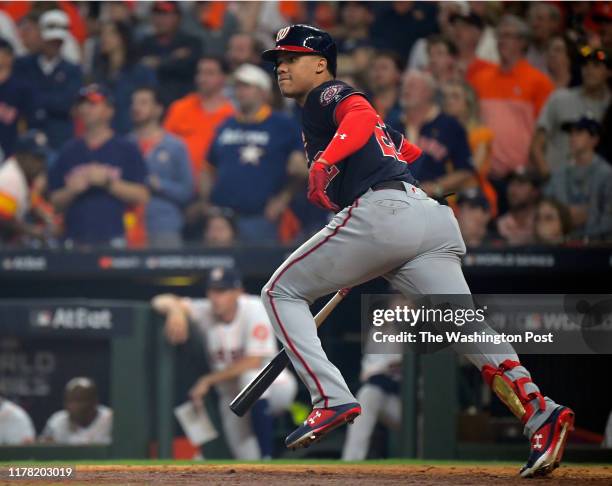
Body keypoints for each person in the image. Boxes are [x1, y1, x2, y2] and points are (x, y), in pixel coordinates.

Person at [260, 24, 573, 477]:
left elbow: (362, 114)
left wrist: (329, 163)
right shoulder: (319, 109)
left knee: (278, 293)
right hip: (425, 218)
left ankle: (330, 396)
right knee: (467, 329)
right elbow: (408, 151)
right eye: (278, 60)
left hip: (384, 214)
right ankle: (540, 412)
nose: (281, 67)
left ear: (321, 63)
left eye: (290, 58)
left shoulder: (326, 95)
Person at [152, 267, 298, 459]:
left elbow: (253, 361)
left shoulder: (254, 307)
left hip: (275, 385)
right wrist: (175, 310)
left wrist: (208, 380)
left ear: (238, 292)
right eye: (212, 290)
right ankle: (262, 466)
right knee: (246, 459)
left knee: (250, 378)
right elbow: (159, 300)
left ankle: (267, 455)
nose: (215, 297)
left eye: (222, 291)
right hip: (230, 395)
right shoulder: (205, 310)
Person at [203, 63, 306, 243]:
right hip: (223, 217)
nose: (240, 91)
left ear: (264, 92)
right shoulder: (226, 125)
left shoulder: (283, 125)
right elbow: (208, 167)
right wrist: (207, 202)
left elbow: (301, 169)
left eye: (247, 86)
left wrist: (284, 198)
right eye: (237, 86)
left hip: (261, 217)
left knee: (260, 269)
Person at [49, 84, 149, 247]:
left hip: (117, 238)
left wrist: (108, 183)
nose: (86, 108)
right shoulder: (68, 150)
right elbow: (53, 202)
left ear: (109, 111)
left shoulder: (127, 148)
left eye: (93, 103)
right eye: (82, 104)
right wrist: (71, 191)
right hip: (75, 239)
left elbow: (142, 196)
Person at [470, 15, 554, 184]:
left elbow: (544, 133)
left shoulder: (539, 81)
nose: (501, 41)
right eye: (499, 36)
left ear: (523, 42)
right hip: (483, 172)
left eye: (508, 36)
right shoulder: (479, 78)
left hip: (521, 175)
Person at [393, 70, 477, 199]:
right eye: (404, 86)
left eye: (412, 86)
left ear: (429, 92)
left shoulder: (449, 126)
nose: (406, 90)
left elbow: (465, 171)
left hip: (436, 201)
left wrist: (436, 186)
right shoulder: (393, 125)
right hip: (397, 200)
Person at [531, 46, 611, 177]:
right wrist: (548, 178)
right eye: (585, 65)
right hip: (556, 182)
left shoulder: (610, 107)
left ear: (608, 72)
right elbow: (536, 145)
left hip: (595, 189)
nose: (589, 70)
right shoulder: (560, 98)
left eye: (596, 66)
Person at [130, 86, 193, 248]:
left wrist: (160, 185)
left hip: (165, 224)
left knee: (170, 273)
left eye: (143, 103)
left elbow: (187, 191)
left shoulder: (176, 146)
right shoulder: (125, 145)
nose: (136, 108)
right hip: (128, 225)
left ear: (158, 109)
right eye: (134, 103)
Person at [342, 298, 403, 461]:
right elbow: (367, 372)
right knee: (367, 394)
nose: (400, 304)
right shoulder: (381, 329)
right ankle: (351, 461)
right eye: (397, 298)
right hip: (392, 399)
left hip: (420, 408)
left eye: (405, 298)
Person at [14, 10, 83, 151]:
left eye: (57, 42)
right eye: (50, 41)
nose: (53, 45)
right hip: (27, 135)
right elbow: (18, 98)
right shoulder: (22, 65)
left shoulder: (73, 70)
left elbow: (68, 104)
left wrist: (35, 98)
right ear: (41, 37)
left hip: (59, 139)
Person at [163, 56, 235, 180]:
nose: (202, 78)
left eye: (210, 73)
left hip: (216, 184)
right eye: (200, 72)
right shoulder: (180, 107)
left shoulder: (232, 115)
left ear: (224, 78)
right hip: (177, 184)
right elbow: (163, 145)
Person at [544, 117, 612, 241]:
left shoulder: (607, 174)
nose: (572, 137)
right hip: (562, 245)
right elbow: (546, 207)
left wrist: (588, 215)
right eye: (571, 133)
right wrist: (563, 215)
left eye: (579, 133)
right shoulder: (559, 173)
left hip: (600, 247)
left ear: (594, 139)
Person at [442, 80, 497, 216]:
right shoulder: (440, 134)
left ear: (468, 103)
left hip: (474, 197)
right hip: (446, 196)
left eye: (455, 97)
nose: (449, 101)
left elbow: (474, 169)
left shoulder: (480, 133)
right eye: (447, 97)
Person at [91, 21, 157, 135]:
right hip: (105, 135)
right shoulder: (99, 73)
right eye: (102, 34)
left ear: (122, 38)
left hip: (133, 134)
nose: (103, 38)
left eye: (109, 34)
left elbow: (151, 103)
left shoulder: (140, 72)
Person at [137, 1, 201, 107]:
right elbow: (141, 69)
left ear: (178, 17)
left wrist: (158, 62)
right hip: (153, 104)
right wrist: (173, 58)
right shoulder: (145, 43)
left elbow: (187, 68)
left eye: (165, 15)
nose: (160, 20)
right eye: (157, 15)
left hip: (182, 101)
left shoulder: (191, 42)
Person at [0, 131, 48, 246]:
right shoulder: (10, 177)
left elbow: (31, 203)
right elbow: (2, 217)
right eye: (36, 158)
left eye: (42, 158)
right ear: (21, 156)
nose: (40, 164)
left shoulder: (24, 174)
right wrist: (31, 230)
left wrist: (45, 216)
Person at [40, 377, 113, 445]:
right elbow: (43, 446)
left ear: (94, 401)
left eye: (79, 400)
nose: (74, 406)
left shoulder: (110, 419)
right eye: (70, 400)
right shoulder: (57, 421)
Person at [0, 37, 35, 160]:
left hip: (11, 153)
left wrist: (20, 153)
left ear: (10, 57)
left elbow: (25, 123)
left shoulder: (22, 88)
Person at [497, 169, 541, 246]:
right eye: (511, 184)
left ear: (535, 192)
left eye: (521, 184)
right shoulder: (498, 225)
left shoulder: (543, 220)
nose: (513, 190)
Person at [526, 2, 562, 75]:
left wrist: (586, 47)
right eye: (531, 19)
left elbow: (587, 55)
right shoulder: (522, 49)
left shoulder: (569, 45)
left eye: (540, 19)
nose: (534, 24)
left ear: (553, 23)